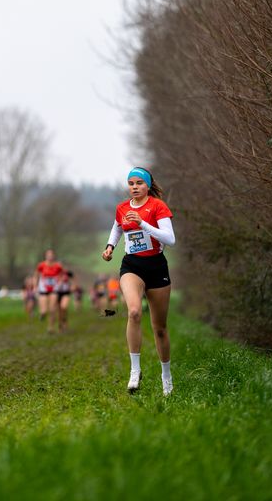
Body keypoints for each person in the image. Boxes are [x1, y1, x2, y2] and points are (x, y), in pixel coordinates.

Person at [102, 167, 175, 395]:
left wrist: (143, 223)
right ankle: (135, 372)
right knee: (133, 312)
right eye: (131, 183)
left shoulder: (157, 206)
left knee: (159, 328)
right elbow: (117, 228)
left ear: (147, 185)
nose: (134, 187)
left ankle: (166, 376)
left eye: (139, 183)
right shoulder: (122, 208)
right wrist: (110, 247)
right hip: (132, 266)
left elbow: (170, 239)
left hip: (156, 267)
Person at [34, 249, 63, 333]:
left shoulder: (58, 266)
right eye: (48, 255)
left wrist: (60, 282)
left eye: (51, 255)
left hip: (54, 288)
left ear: (54, 256)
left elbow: (62, 275)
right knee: (44, 311)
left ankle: (50, 327)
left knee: (52, 309)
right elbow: (35, 275)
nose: (50, 256)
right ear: (45, 256)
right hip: (43, 287)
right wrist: (35, 286)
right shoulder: (41, 265)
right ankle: (42, 314)